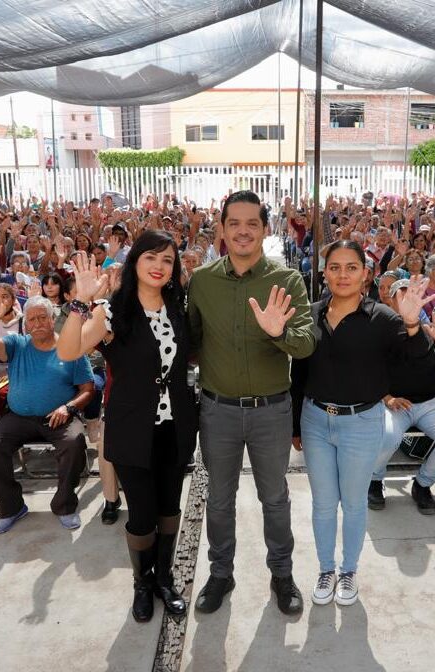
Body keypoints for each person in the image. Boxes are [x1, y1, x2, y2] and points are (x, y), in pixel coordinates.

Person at [187, 190, 315, 616]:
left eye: (252, 224)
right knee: (218, 500)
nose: (243, 231)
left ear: (265, 229)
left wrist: (278, 332)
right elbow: (190, 342)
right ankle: (221, 573)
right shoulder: (202, 282)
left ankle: (282, 574)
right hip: (217, 411)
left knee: (275, 498)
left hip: (271, 413)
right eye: (234, 223)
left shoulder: (288, 281)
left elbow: (305, 345)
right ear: (221, 229)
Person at [58, 233, 197, 623]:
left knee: (170, 508)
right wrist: (80, 303)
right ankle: (142, 582)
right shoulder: (111, 311)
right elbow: (69, 351)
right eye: (151, 256)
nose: (159, 265)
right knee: (142, 514)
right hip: (132, 428)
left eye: (168, 260)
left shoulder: (179, 308)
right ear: (135, 261)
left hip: (176, 426)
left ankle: (165, 579)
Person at [291, 241, 435, 606]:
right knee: (324, 504)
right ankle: (326, 569)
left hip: (361, 422)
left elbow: (418, 361)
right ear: (324, 272)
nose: (343, 274)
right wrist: (294, 424)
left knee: (353, 503)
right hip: (315, 420)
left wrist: (412, 323)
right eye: (335, 267)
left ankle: (348, 570)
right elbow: (299, 373)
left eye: (351, 267)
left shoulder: (384, 320)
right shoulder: (310, 315)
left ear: (365, 274)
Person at [0, 295, 95, 534]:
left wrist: (68, 407)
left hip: (59, 416)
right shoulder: (16, 344)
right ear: (26, 324)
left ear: (53, 320)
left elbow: (88, 389)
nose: (38, 323)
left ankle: (64, 506)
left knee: (74, 443)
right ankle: (11, 508)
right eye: (32, 319)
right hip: (18, 417)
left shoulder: (71, 347)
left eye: (43, 317)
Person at [368, 287, 435, 515]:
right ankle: (374, 480)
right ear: (391, 302)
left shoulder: (431, 329)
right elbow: (367, 374)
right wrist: (387, 398)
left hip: (430, 402)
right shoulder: (379, 331)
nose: (408, 300)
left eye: (412, 295)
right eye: (401, 296)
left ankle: (422, 484)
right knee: (387, 436)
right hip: (392, 402)